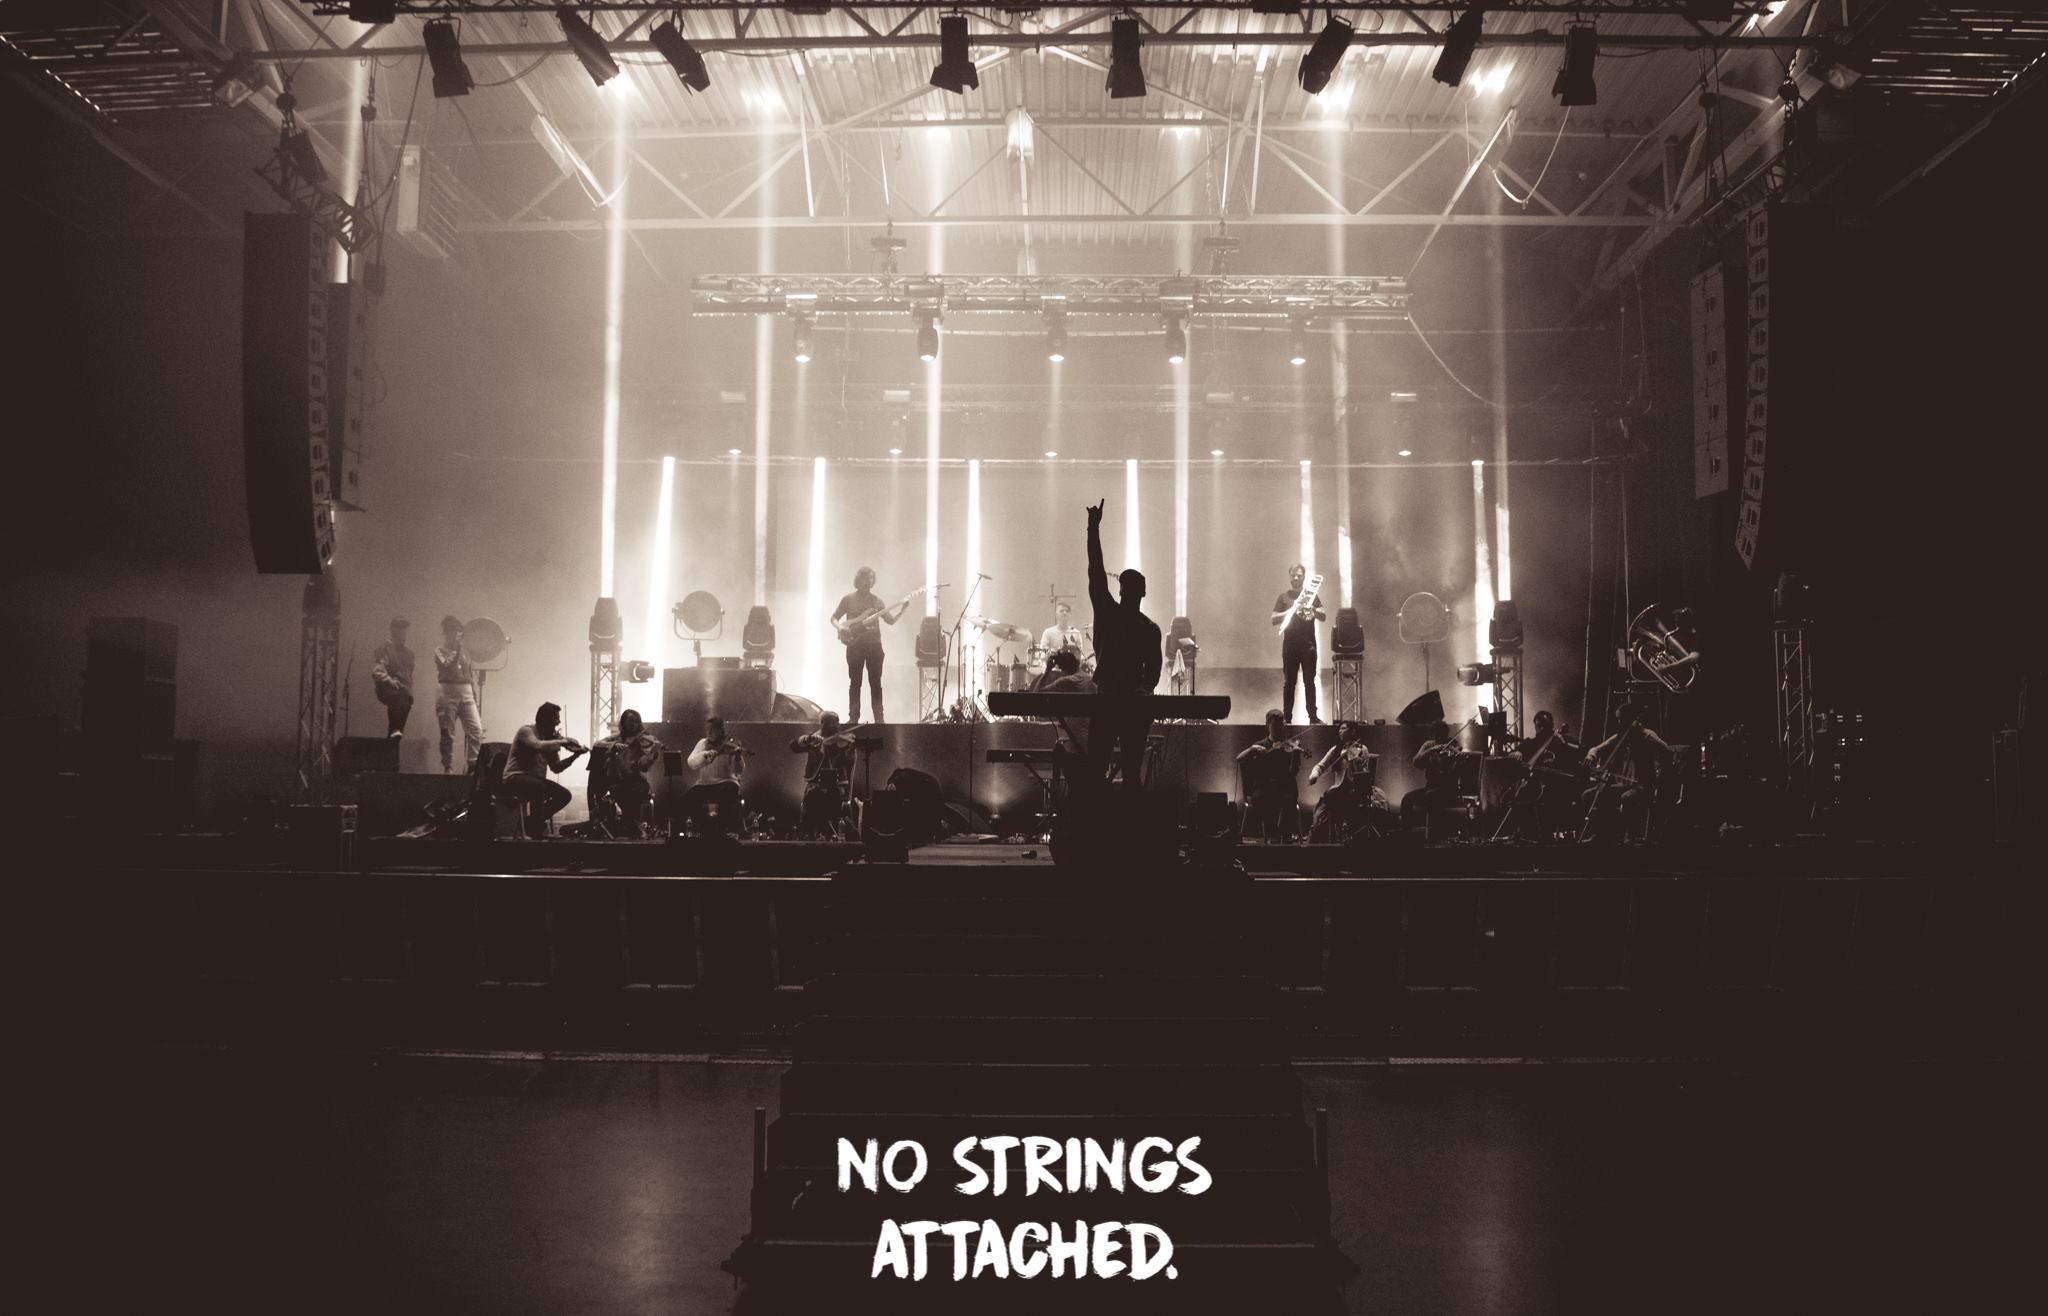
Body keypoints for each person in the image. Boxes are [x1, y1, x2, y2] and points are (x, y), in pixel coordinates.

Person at [1085, 499, 1162, 786]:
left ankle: (1097, 811)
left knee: (1100, 770)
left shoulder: (1112, 614)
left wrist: (1093, 528)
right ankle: (1129, 812)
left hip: (1111, 699)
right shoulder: (1147, 628)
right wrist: (1142, 690)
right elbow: (1153, 674)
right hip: (1128, 703)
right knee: (1129, 772)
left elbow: (1096, 570)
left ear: (1122, 591)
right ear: (1143, 591)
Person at [1581, 702, 1674, 841]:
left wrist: (1659, 769)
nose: (1620, 723)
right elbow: (1596, 749)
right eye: (1618, 719)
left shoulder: (1648, 736)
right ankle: (1602, 833)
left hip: (1641, 786)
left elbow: (1668, 752)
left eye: (1622, 719)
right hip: (1620, 785)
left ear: (1632, 720)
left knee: (1627, 798)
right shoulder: (1620, 737)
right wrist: (1591, 755)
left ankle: (1630, 835)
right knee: (1588, 795)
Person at [831, 567, 912, 725]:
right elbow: (834, 618)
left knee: (875, 683)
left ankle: (879, 719)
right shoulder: (848, 599)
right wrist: (840, 628)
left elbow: (890, 621)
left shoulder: (877, 602)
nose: (867, 582)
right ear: (858, 580)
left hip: (874, 646)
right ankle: (853, 718)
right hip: (854, 645)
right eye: (865, 578)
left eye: (870, 579)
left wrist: (903, 610)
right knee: (855, 683)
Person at [499, 702, 586, 839]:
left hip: (536, 781)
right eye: (555, 719)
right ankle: (536, 830)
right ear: (544, 720)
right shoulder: (526, 731)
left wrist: (575, 756)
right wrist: (561, 742)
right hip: (514, 778)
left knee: (564, 795)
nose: (558, 723)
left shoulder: (550, 740)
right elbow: (537, 745)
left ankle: (531, 822)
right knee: (538, 786)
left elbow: (556, 768)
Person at [1235, 709, 1304, 842]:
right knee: (1260, 798)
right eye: (1275, 725)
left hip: (1283, 787)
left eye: (1281, 725)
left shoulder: (1289, 746)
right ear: (1267, 725)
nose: (1278, 729)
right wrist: (1252, 749)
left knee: (1290, 797)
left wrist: (1296, 755)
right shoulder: (1260, 745)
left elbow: (1293, 773)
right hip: (1264, 787)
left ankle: (1284, 834)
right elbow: (1239, 758)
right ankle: (1272, 833)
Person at [1309, 720, 1383, 842]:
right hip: (1340, 788)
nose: (1340, 731)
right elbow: (1321, 765)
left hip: (1357, 789)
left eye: (1343, 728)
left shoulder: (1362, 748)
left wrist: (1356, 762)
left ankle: (1343, 829)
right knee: (1330, 795)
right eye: (1339, 729)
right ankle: (1338, 830)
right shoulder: (1336, 749)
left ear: (1352, 731)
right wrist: (1314, 774)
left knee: (1333, 796)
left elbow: (1364, 773)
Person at [593, 709, 664, 834]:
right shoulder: (617, 738)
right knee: (619, 789)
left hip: (637, 780)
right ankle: (633, 823)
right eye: (631, 721)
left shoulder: (643, 741)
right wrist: (614, 745)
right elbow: (597, 744)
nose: (634, 724)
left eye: (636, 722)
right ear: (623, 722)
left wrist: (652, 754)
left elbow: (643, 766)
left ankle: (630, 822)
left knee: (637, 789)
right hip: (618, 780)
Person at [1271, 564, 1325, 724]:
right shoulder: (1283, 597)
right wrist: (1293, 609)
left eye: (1299, 575)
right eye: (1293, 575)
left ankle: (1313, 718)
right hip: (1290, 646)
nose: (1296, 578)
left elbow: (1323, 615)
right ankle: (1287, 718)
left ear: (1304, 577)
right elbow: (1273, 619)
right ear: (1289, 576)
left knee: (1309, 682)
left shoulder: (1312, 596)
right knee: (1289, 683)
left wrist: (1311, 608)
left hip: (1308, 645)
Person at [790, 711, 858, 839]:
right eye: (830, 723)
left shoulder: (844, 740)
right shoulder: (815, 739)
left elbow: (849, 763)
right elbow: (793, 746)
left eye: (836, 723)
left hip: (838, 784)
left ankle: (835, 834)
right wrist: (807, 739)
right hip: (815, 782)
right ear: (822, 724)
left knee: (835, 802)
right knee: (811, 797)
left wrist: (846, 747)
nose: (835, 727)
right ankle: (808, 834)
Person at [433, 614, 484, 773]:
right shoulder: (440, 650)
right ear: (446, 632)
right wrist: (456, 649)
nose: (455, 634)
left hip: (466, 691)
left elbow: (469, 674)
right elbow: (447, 665)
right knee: (448, 732)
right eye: (451, 630)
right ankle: (448, 766)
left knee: (476, 729)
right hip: (447, 691)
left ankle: (473, 764)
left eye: (457, 630)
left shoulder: (466, 652)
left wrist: (474, 697)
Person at [685, 715, 748, 832]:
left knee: (727, 794)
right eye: (707, 729)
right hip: (705, 784)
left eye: (712, 729)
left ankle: (723, 829)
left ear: (720, 731)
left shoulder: (729, 744)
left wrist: (738, 757)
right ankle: (698, 829)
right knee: (688, 798)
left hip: (726, 782)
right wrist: (705, 755)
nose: (708, 732)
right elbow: (691, 762)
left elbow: (738, 770)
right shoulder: (702, 743)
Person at [1402, 722, 1467, 829]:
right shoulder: (1429, 745)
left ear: (1446, 734)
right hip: (1431, 786)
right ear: (1433, 735)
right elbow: (1416, 761)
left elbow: (1455, 772)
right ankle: (1407, 830)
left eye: (1442, 735)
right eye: (1437, 736)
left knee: (1430, 796)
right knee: (1407, 798)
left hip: (1449, 789)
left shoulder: (1453, 744)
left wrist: (1457, 760)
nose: (1440, 739)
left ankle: (1434, 830)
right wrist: (1431, 750)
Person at [369, 617, 415, 738]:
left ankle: (395, 735)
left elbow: (409, 674)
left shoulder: (409, 653)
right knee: (397, 697)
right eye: (399, 627)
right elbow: (377, 671)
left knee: (407, 700)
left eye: (404, 628)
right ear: (392, 630)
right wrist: (390, 680)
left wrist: (408, 687)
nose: (402, 631)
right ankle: (395, 731)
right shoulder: (384, 649)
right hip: (386, 687)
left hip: (403, 689)